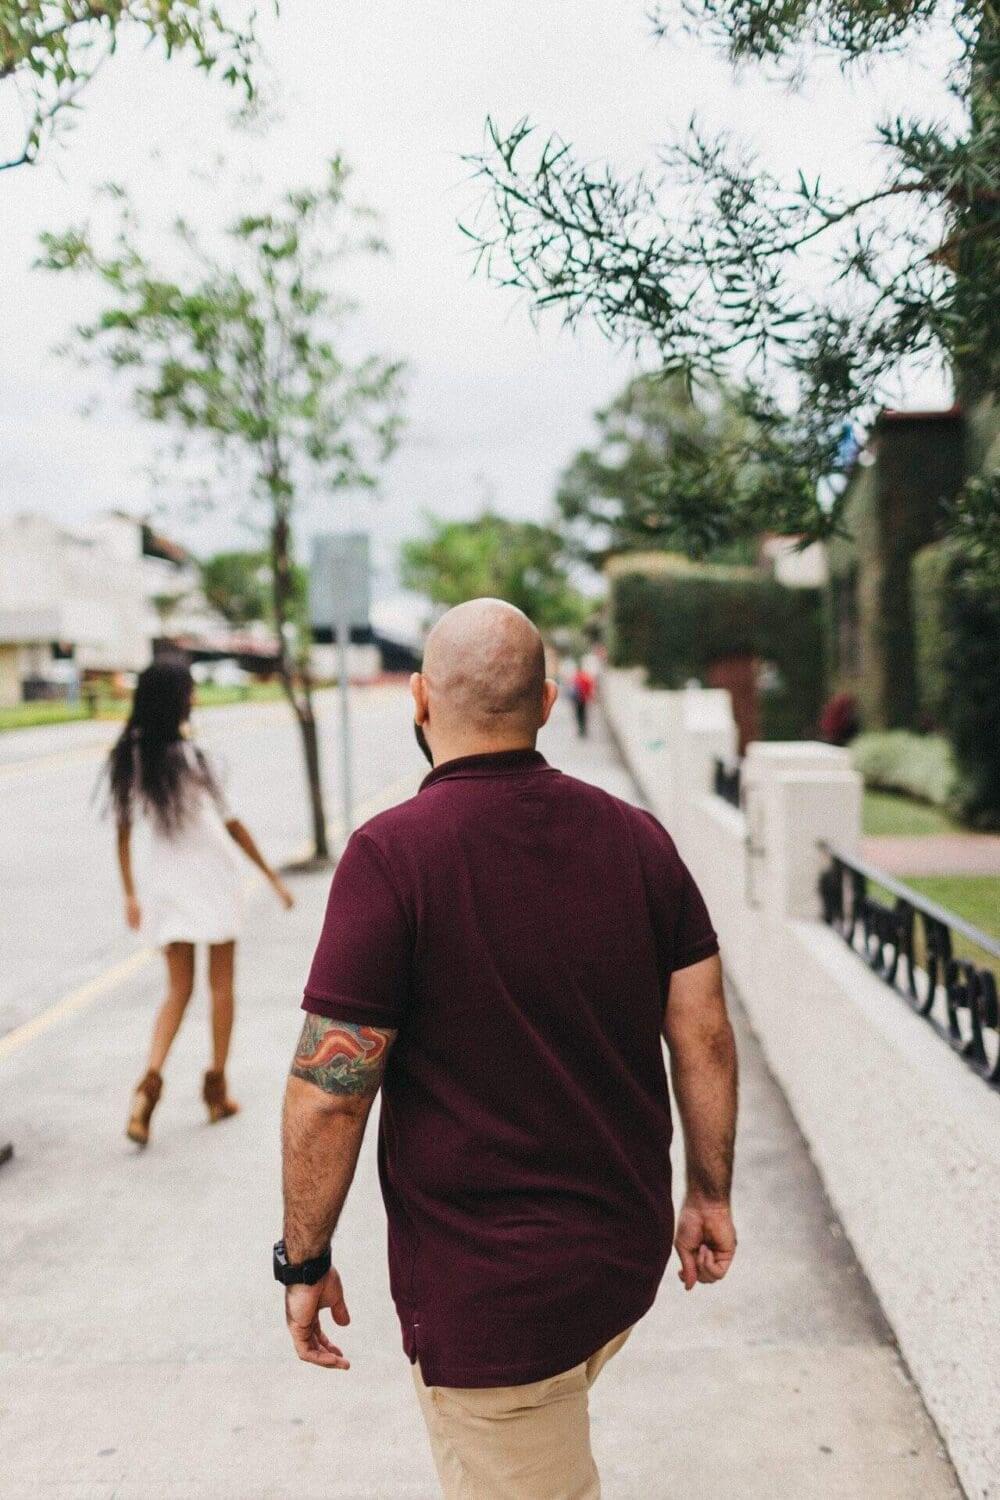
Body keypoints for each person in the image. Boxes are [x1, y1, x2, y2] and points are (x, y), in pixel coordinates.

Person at [278, 599, 738, 1500]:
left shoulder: (392, 857)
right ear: (549, 702)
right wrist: (710, 1194)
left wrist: (302, 1259)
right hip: (617, 1259)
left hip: (496, 1301)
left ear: (418, 700)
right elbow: (704, 1030)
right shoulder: (638, 839)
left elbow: (331, 1091)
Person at [110, 659, 294, 1147]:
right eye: (189, 691)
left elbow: (124, 833)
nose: (194, 697)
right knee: (221, 988)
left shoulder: (134, 758)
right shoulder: (196, 758)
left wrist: (130, 892)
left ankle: (146, 1090)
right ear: (177, 700)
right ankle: (216, 1089)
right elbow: (232, 826)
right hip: (213, 881)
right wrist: (272, 877)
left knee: (177, 991)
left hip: (166, 889)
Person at [571, 661, 595, 737]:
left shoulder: (576, 677)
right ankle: (583, 729)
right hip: (583, 699)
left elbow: (571, 688)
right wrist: (591, 697)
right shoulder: (586, 677)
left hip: (577, 699)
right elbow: (590, 687)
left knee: (578, 715)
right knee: (583, 714)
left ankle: (581, 728)